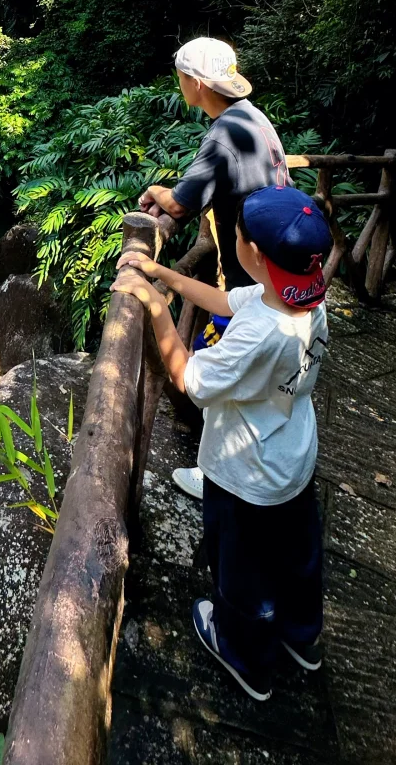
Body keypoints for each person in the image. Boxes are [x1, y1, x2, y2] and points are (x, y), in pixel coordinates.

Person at [113, 184, 331, 702]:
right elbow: (228, 299)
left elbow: (189, 378)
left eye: (234, 233)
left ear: (252, 253)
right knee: (297, 555)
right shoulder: (303, 295)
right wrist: (166, 276)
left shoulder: (259, 336)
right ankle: (303, 638)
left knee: (241, 569)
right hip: (293, 458)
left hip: (247, 474)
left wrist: (155, 306)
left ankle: (244, 656)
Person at [138, 36, 290, 501]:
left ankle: (223, 474)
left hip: (256, 270)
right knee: (264, 371)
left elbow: (181, 207)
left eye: (182, 77)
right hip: (281, 265)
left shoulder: (223, 133)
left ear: (197, 83)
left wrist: (156, 193)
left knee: (235, 371)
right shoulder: (252, 118)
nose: (180, 83)